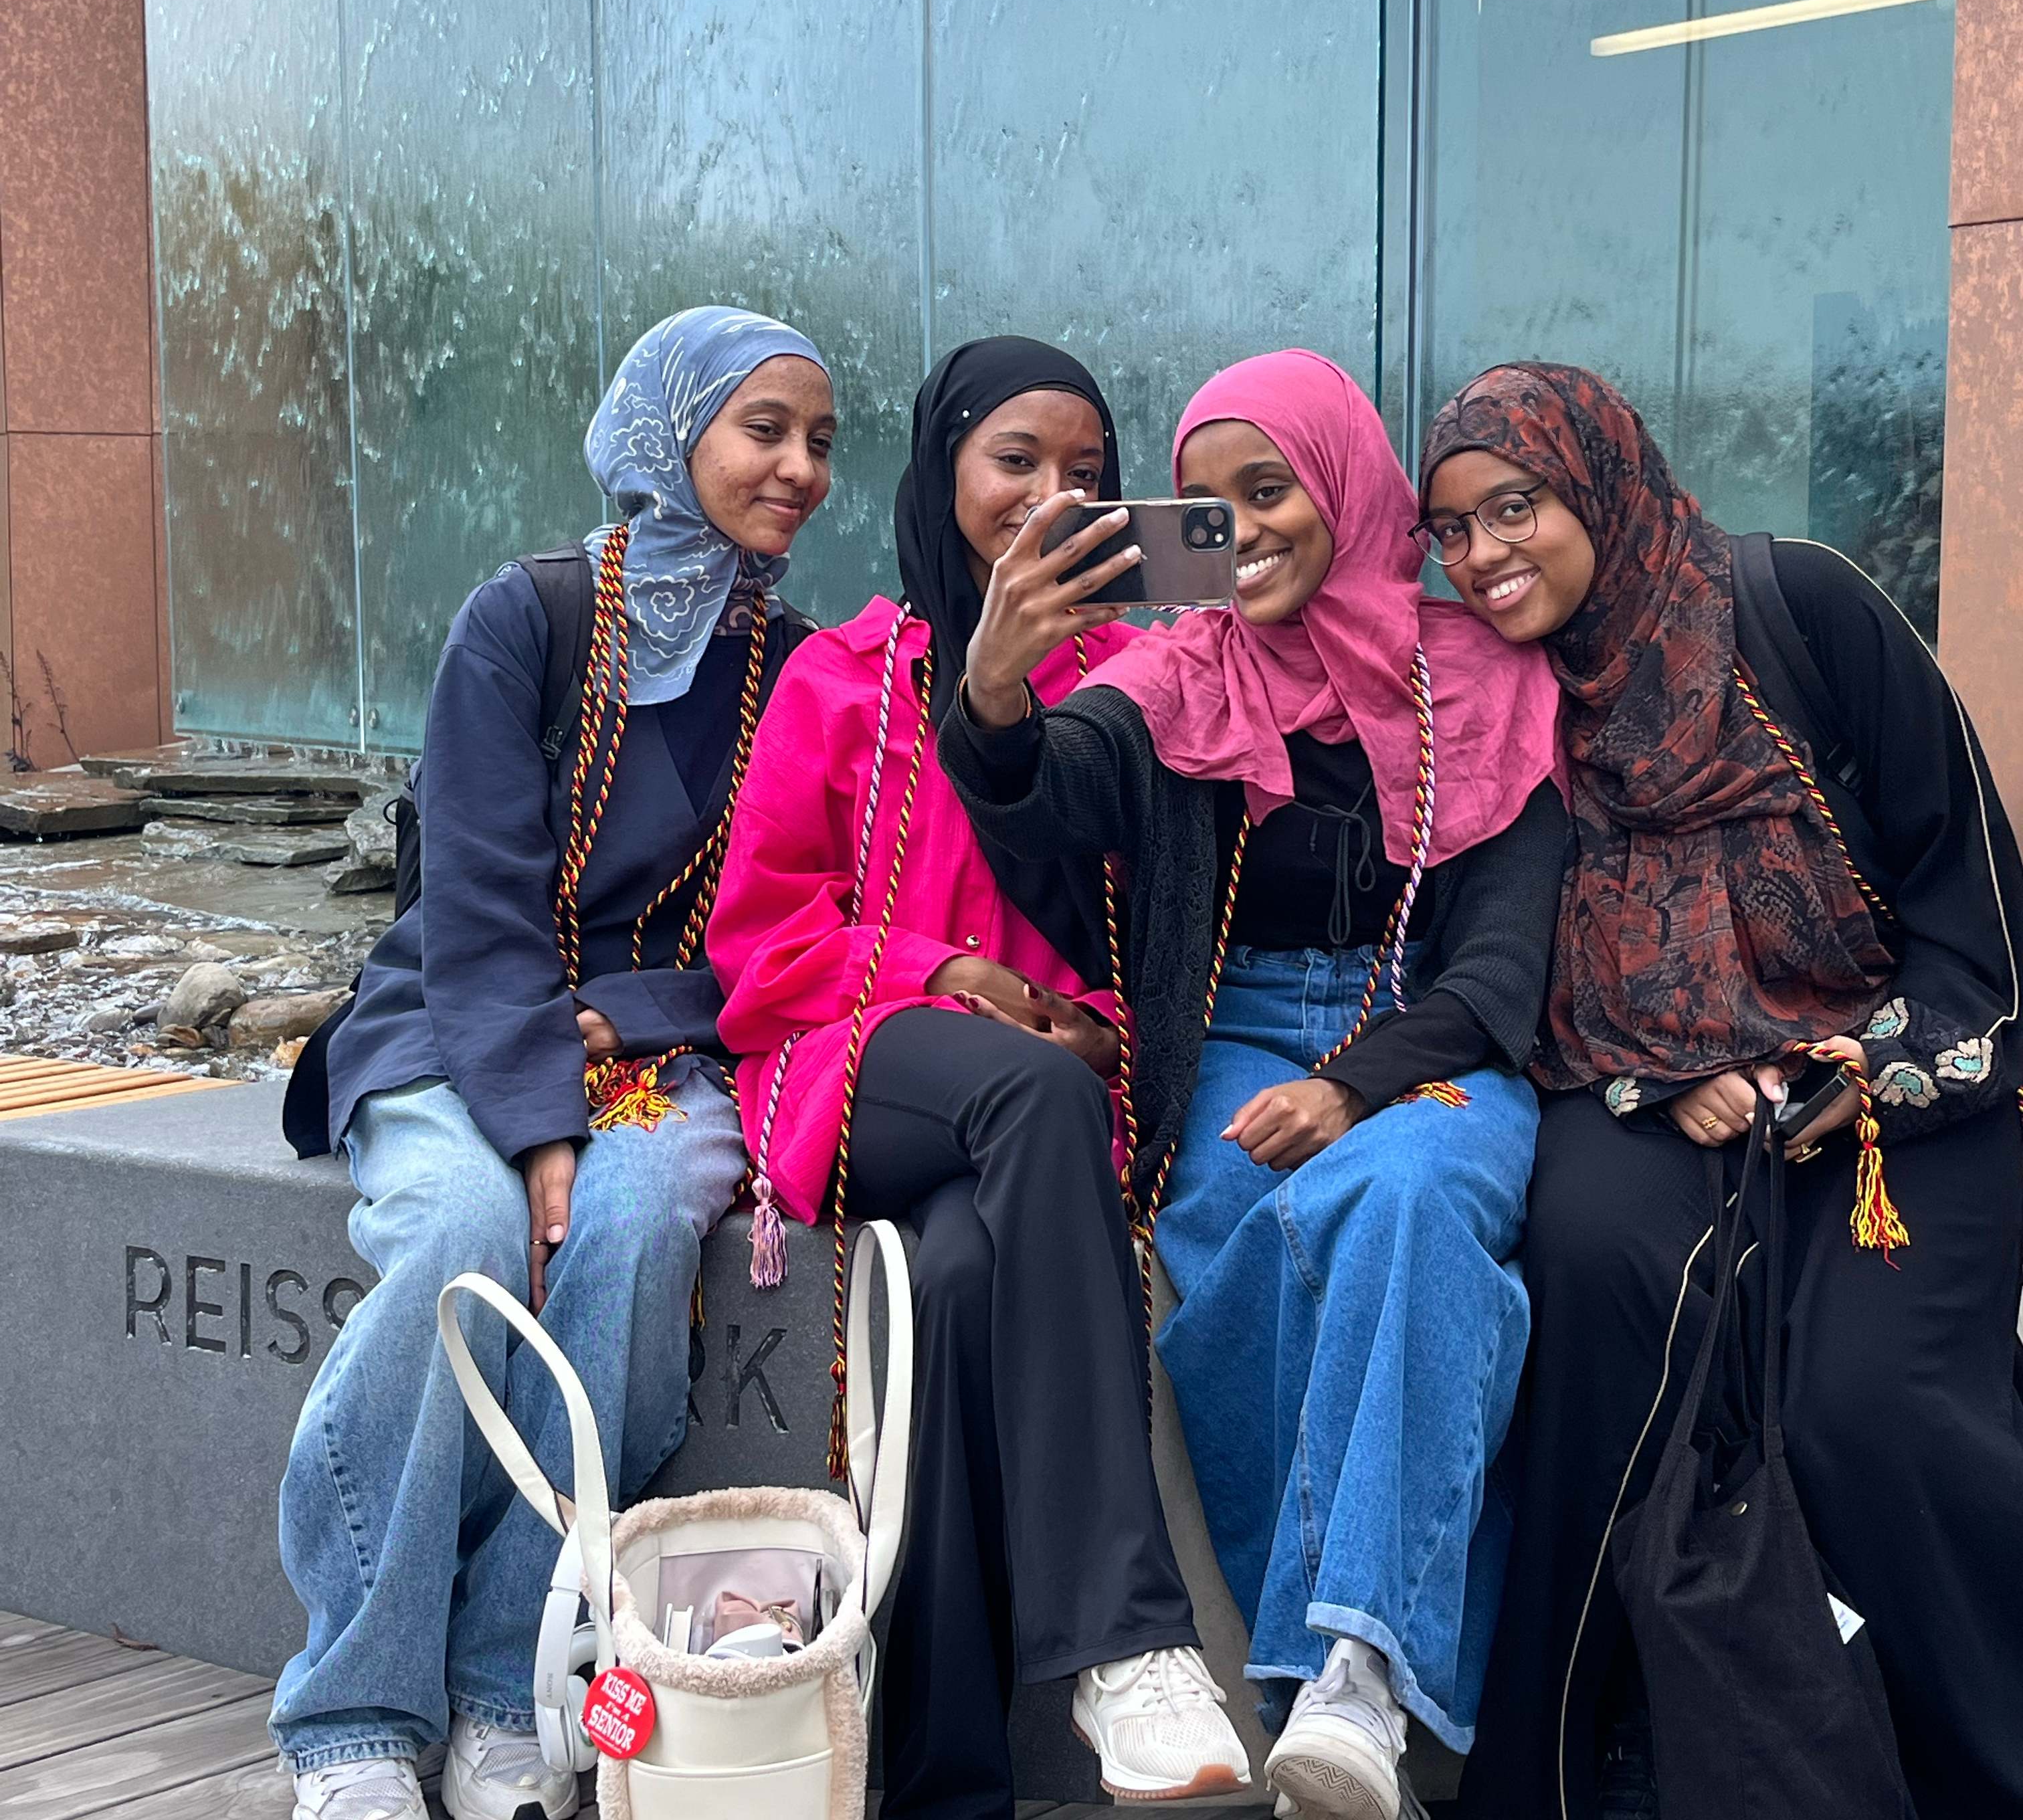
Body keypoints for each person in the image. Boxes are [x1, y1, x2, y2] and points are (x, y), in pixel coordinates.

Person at [940, 349, 1569, 1820]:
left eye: (1271, 491)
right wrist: (992, 680)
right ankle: (1336, 1713)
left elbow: (1500, 973)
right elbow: (1050, 784)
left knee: (1405, 1196)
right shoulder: (1185, 672)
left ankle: (1342, 1674)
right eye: (1207, 507)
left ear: (1348, 489)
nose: (1245, 532)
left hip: (1429, 1037)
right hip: (1234, 1037)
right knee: (1228, 1224)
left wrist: (1355, 1089)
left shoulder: (1484, 679)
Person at [1417, 363, 2023, 1820]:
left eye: (1517, 506)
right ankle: (1565, 1775)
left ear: (1603, 484)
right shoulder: (1506, 698)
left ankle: (1978, 1771)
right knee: (1595, 1268)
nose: (1485, 554)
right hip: (1639, 1087)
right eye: (1449, 529)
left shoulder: (1795, 606)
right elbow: (1508, 953)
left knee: (1864, 1407)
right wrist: (1660, 1072)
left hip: (1893, 1087)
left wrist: (1863, 1068)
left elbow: (1979, 921)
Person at [272, 308, 835, 1820]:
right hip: (458, 1022)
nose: (797, 467)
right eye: (762, 428)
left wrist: (637, 1025)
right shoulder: (524, 617)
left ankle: (505, 1682)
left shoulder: (796, 665)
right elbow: (474, 896)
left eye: (819, 441)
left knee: (642, 1229)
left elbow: (785, 921)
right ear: (669, 433)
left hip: (656, 1047)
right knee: (463, 1239)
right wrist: (535, 1130)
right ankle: (351, 1713)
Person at [708, 336, 1253, 1818]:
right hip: (848, 1059)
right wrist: (940, 978)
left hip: (1029, 1104)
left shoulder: (1130, 686)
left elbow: (1138, 926)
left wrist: (1085, 1019)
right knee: (1036, 1097)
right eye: (1018, 461)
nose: (1054, 496)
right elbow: (759, 942)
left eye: (1090, 473)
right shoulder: (845, 673)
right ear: (946, 468)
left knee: (957, 1285)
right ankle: (1131, 1644)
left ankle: (945, 1780)